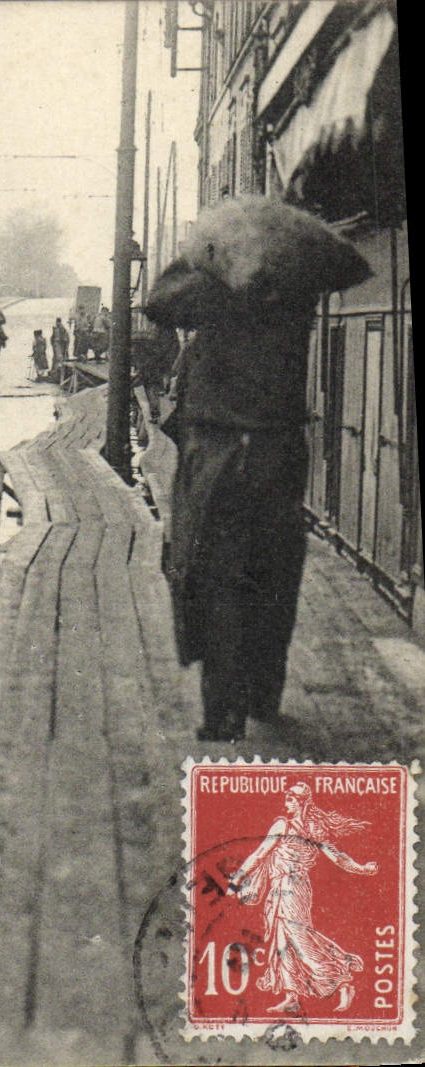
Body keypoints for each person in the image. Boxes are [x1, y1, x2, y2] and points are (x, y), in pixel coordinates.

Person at [147, 271, 322, 741]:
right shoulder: (288, 333)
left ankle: (224, 711)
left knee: (217, 593)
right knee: (274, 590)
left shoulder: (208, 340)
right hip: (275, 477)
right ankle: (265, 693)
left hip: (220, 484)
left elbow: (185, 417)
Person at [227, 783, 377, 1014]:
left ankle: (341, 981)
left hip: (291, 888)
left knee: (299, 939)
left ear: (299, 802)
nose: (285, 804)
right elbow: (339, 859)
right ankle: (292, 996)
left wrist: (236, 880)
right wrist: (362, 868)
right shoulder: (313, 828)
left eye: (289, 800)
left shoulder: (285, 825)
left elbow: (259, 854)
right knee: (282, 941)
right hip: (285, 887)